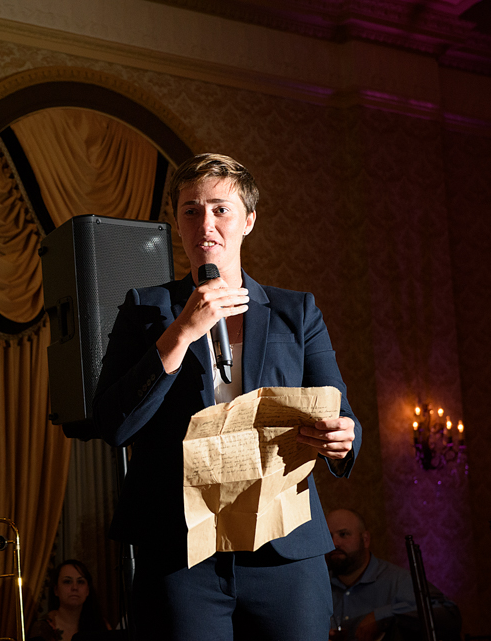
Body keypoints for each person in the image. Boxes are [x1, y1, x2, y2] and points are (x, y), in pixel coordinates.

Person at [91, 153, 362, 641]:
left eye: (220, 209)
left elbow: (339, 411)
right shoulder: (144, 311)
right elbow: (114, 423)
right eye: (191, 210)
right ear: (177, 222)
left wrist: (345, 437)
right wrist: (182, 332)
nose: (205, 223)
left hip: (283, 550)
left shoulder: (294, 311)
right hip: (181, 554)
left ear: (248, 220)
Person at [326, 508, 462, 641]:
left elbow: (449, 614)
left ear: (365, 539)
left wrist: (383, 616)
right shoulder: (317, 587)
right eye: (328, 536)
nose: (334, 543)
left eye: (343, 534)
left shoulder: (397, 580)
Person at [28, 559, 110, 641]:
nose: (75, 587)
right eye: (67, 582)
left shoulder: (100, 625)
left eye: (80, 582)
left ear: (87, 590)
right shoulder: (43, 628)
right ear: (56, 590)